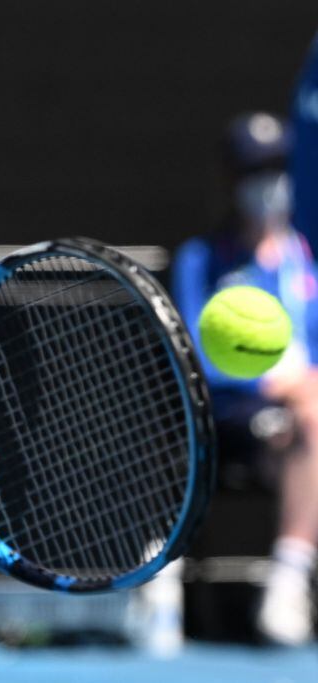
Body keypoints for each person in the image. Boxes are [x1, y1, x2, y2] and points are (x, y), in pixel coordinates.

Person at [173, 112, 318, 646]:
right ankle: (290, 577)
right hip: (234, 417)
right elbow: (202, 364)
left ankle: (290, 576)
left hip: (304, 417)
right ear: (232, 181)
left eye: (277, 167)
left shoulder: (305, 258)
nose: (268, 183)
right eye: (255, 171)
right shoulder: (201, 260)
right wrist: (284, 384)